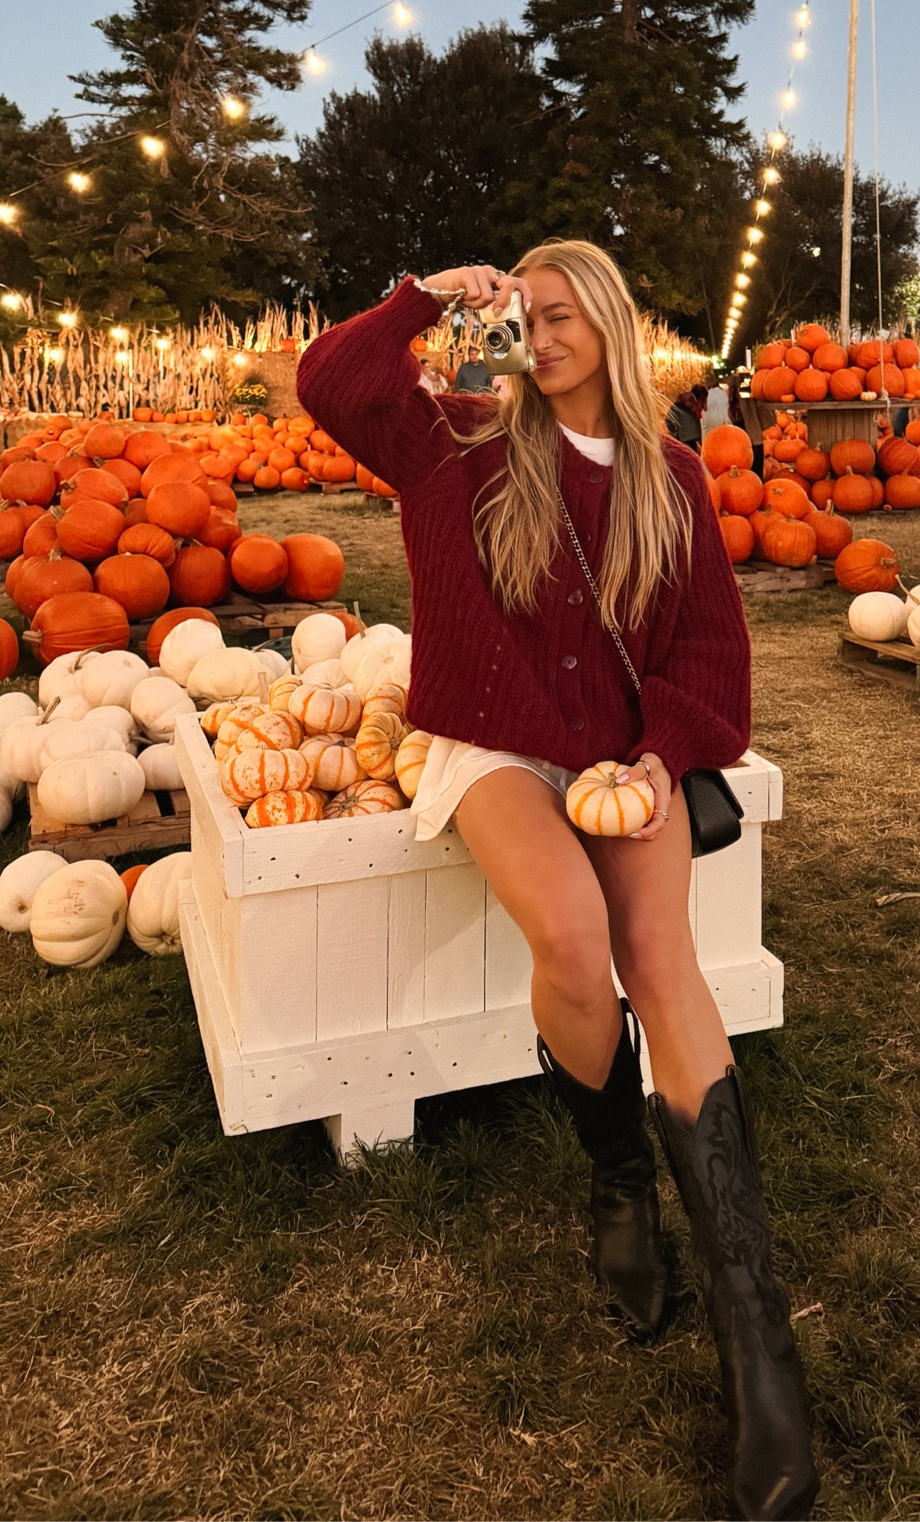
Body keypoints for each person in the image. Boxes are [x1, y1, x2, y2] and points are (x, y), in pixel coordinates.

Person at [298, 241, 817, 1521]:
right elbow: (327, 381)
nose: (550, 320)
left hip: (624, 753)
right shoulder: (461, 446)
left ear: (620, 323)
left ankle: (759, 1338)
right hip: (492, 746)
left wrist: (660, 755)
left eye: (573, 300)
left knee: (668, 962)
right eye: (530, 307)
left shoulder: (674, 478)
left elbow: (708, 656)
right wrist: (424, 294)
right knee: (577, 949)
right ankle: (616, 1174)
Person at [664, 386, 702, 451]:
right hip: (693, 440)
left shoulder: (674, 410)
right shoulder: (692, 410)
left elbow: (669, 424)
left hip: (682, 441)